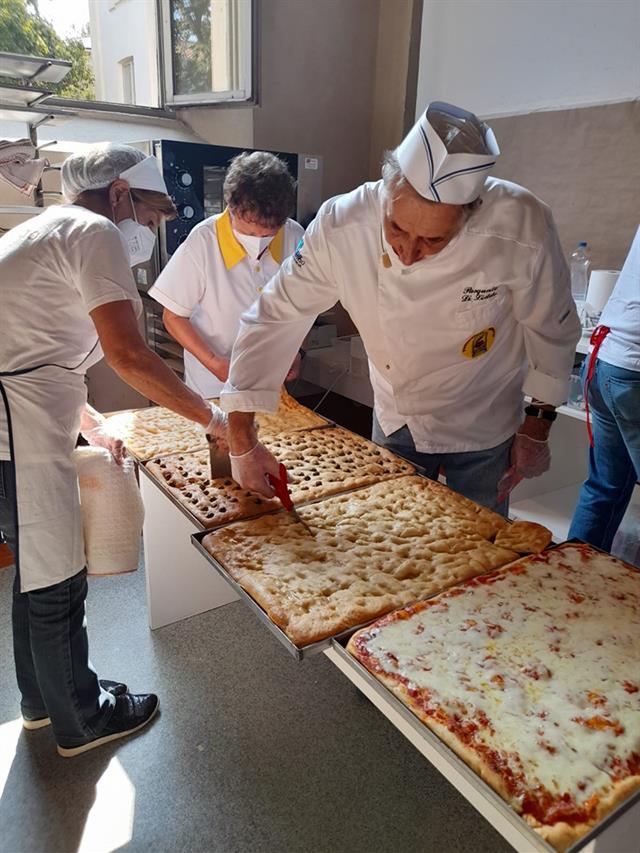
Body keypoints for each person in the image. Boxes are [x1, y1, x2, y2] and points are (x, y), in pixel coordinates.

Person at [219, 101, 582, 512]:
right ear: (385, 193)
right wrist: (242, 440)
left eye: (433, 241)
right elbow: (274, 316)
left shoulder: (521, 225)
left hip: (484, 420)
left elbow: (552, 326)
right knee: (392, 535)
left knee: (477, 545)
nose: (408, 253)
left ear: (471, 215)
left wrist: (537, 427)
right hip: (397, 417)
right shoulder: (342, 223)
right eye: (396, 227)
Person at [0, 143, 227, 758]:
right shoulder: (94, 229)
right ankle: (81, 719)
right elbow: (129, 355)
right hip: (15, 429)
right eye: (152, 216)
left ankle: (44, 702)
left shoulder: (49, 228)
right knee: (56, 575)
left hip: (23, 414)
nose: (152, 230)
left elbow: (33, 348)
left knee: (36, 575)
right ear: (121, 193)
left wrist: (90, 420)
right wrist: (214, 419)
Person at [149, 151, 304, 397]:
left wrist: (295, 350)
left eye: (269, 233)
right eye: (250, 233)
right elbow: (174, 317)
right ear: (231, 208)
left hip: (270, 383)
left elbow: (298, 305)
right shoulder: (203, 241)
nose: (259, 240)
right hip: (213, 390)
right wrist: (215, 363)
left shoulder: (294, 236)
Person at [569, 226, 640, 550]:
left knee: (604, 488)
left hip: (605, 359)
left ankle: (570, 585)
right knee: (606, 487)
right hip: (633, 374)